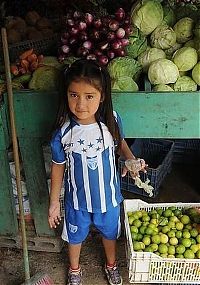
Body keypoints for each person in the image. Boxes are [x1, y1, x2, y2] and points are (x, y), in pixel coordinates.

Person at [48, 59, 146, 285]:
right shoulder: (63, 134)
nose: (80, 103)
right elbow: (57, 168)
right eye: (74, 95)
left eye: (89, 96)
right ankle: (74, 269)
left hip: (108, 198)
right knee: (75, 237)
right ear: (66, 95)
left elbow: (120, 144)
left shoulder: (110, 121)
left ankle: (111, 265)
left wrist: (130, 160)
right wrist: (54, 203)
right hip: (77, 202)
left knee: (110, 235)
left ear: (102, 96)